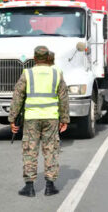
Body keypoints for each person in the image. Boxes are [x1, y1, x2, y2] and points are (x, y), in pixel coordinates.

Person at [9, 46, 70, 197]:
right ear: (48, 57)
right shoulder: (57, 73)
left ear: (35, 58)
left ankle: (29, 187)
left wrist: (12, 118)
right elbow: (63, 97)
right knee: (51, 150)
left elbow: (17, 97)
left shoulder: (27, 73)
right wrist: (64, 119)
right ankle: (50, 186)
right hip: (51, 117)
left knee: (30, 150)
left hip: (31, 118)